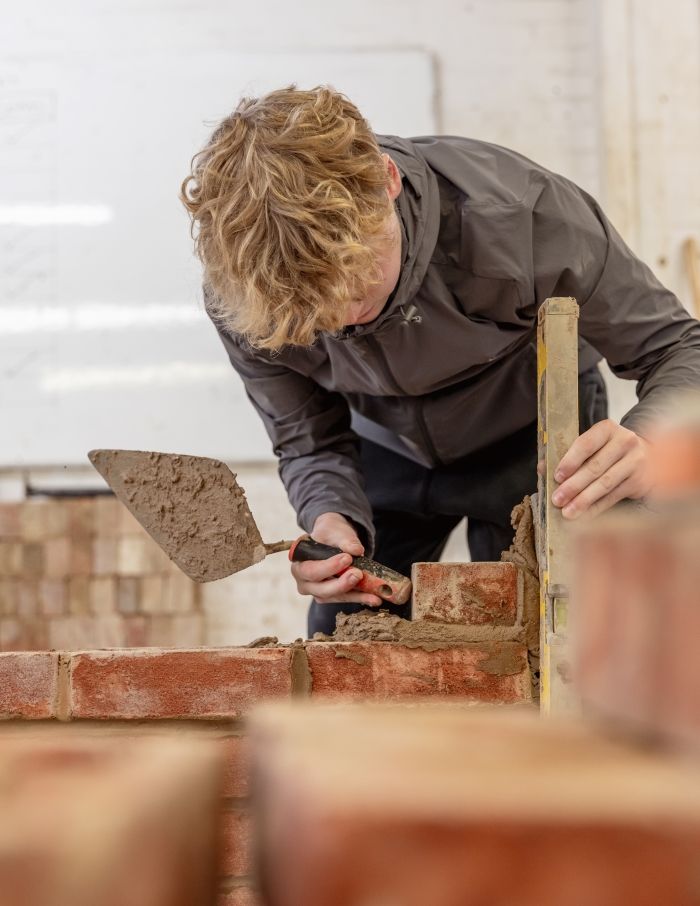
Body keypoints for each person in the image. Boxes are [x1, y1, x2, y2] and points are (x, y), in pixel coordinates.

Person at [180, 85, 700, 636]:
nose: (346, 321)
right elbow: (307, 440)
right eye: (316, 317)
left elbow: (677, 349)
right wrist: (330, 513)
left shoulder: (525, 218)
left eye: (357, 285)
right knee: (344, 631)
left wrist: (648, 441)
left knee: (552, 633)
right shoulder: (248, 296)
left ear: (387, 181)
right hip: (384, 447)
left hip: (532, 439)